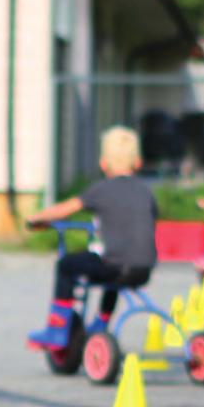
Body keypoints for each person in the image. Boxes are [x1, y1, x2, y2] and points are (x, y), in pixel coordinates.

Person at [26, 126, 157, 349]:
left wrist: (36, 219)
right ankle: (101, 322)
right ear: (138, 163)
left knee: (67, 265)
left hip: (115, 265)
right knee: (113, 272)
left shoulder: (102, 189)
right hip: (144, 268)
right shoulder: (146, 192)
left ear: (103, 163)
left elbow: (65, 209)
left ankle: (57, 330)